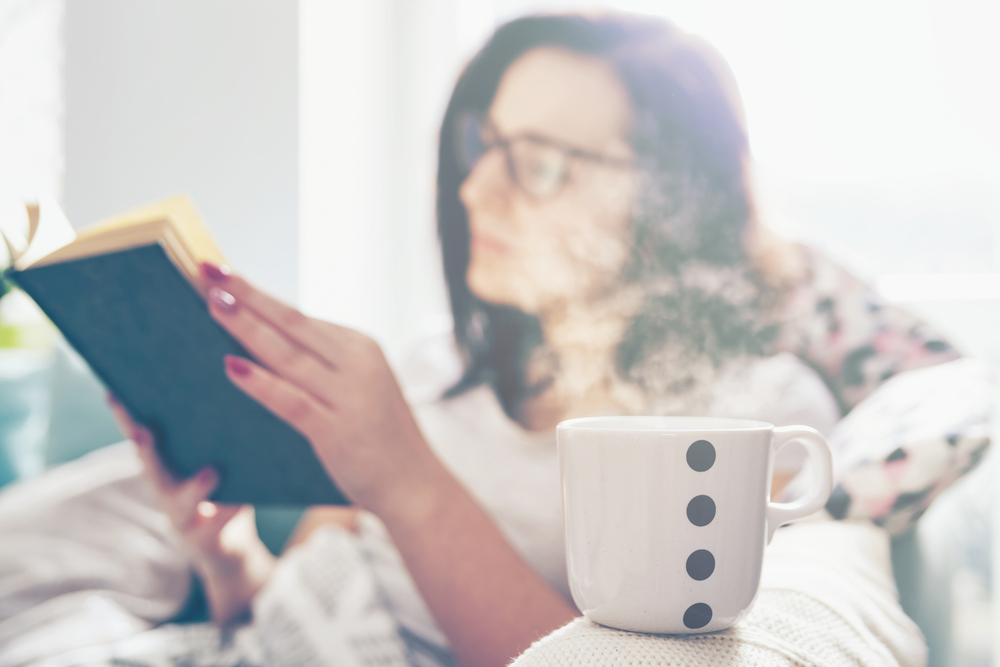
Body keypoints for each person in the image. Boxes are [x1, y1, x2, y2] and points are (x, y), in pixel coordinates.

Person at [0, 12, 972, 667]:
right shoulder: (436, 374)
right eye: (486, 149)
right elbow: (292, 618)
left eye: (541, 163)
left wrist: (408, 481)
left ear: (675, 197)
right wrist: (222, 555)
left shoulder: (750, 420)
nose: (476, 193)